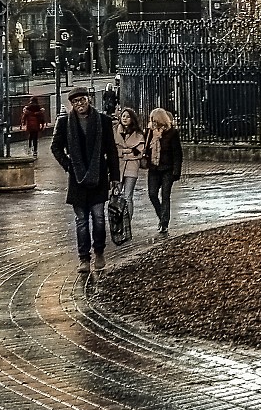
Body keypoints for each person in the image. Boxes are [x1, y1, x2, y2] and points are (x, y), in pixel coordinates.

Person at [51, 85, 119, 277]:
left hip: (98, 177)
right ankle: (84, 258)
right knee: (81, 220)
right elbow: (55, 147)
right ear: (71, 104)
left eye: (82, 100)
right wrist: (68, 165)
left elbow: (111, 151)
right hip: (77, 179)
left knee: (98, 218)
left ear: (89, 100)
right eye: (75, 102)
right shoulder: (65, 123)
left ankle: (99, 252)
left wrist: (115, 177)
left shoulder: (103, 121)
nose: (79, 104)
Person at [145, 107, 184, 237]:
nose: (153, 122)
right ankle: (161, 214)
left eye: (154, 120)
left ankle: (164, 222)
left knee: (165, 195)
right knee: (152, 194)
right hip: (154, 168)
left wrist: (176, 171)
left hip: (167, 168)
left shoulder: (172, 133)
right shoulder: (150, 132)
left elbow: (177, 153)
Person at [111, 103, 148, 231]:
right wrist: (127, 152)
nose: (125, 118)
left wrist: (123, 152)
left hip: (132, 167)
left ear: (132, 119)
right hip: (118, 167)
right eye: (123, 116)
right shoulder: (115, 131)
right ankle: (117, 220)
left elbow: (139, 153)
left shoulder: (138, 134)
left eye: (128, 116)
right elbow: (113, 150)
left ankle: (128, 222)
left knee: (128, 196)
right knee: (117, 195)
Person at [19, 93, 50, 160]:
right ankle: (35, 150)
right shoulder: (38, 108)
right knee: (35, 138)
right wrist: (42, 124)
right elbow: (41, 117)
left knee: (30, 136)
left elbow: (24, 117)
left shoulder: (28, 108)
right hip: (36, 125)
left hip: (29, 125)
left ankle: (29, 147)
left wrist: (23, 123)